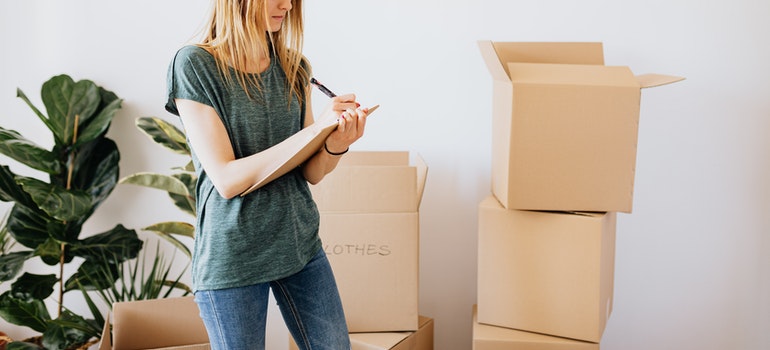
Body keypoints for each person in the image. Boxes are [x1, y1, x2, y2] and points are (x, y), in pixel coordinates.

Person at [164, 0, 371, 349]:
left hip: (299, 244)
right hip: (234, 256)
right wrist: (313, 131)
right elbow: (227, 180)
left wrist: (336, 143)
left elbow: (310, 172)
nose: (288, 5)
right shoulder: (195, 64)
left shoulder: (295, 67)